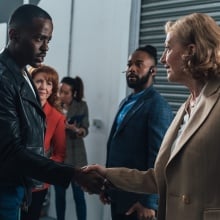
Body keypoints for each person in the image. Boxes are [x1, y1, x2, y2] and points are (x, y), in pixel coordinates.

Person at [85, 13, 220, 220]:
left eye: (168, 48)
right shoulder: (187, 106)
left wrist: (148, 203)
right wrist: (108, 174)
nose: (164, 58)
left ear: (190, 51)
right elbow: (162, 176)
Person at [0, 4, 104, 220]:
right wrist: (73, 174)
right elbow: (10, 151)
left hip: (19, 185)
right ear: (14, 34)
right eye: (39, 38)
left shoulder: (24, 73)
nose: (46, 47)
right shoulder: (3, 79)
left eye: (49, 40)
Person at [103, 45, 173, 220]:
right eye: (129, 64)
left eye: (139, 64)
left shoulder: (157, 106)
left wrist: (150, 201)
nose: (131, 69)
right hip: (119, 193)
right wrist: (108, 183)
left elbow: (159, 157)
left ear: (153, 71)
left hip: (139, 201)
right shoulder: (126, 102)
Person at [20, 65, 66, 220]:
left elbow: (59, 154)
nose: (43, 87)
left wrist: (42, 170)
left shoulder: (57, 118)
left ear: (53, 89)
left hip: (37, 184)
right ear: (31, 83)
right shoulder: (18, 106)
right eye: (39, 81)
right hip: (13, 177)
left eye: (49, 83)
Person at [54, 76, 89, 220]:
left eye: (66, 92)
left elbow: (85, 129)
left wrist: (76, 130)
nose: (62, 95)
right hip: (59, 156)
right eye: (60, 91)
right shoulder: (55, 106)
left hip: (77, 157)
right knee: (59, 195)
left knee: (79, 196)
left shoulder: (81, 106)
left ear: (73, 93)